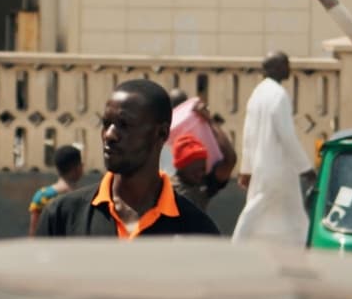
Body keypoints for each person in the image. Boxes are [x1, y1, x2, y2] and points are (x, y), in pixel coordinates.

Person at [35, 79, 220, 238]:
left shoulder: (197, 231)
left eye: (124, 125)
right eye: (106, 123)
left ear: (161, 133)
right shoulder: (62, 216)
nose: (109, 135)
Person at [233, 52, 314, 245]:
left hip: (265, 165)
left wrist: (247, 169)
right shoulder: (278, 95)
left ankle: (304, 244)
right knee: (256, 207)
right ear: (276, 68)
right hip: (277, 167)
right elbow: (286, 135)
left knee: (294, 211)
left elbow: (248, 135)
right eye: (285, 65)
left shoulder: (257, 94)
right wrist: (305, 167)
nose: (289, 69)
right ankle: (237, 243)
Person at [167, 89, 237, 212]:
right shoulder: (163, 182)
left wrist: (209, 121)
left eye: (202, 169)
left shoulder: (203, 183)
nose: (199, 173)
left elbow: (230, 160)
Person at [27, 145, 84, 236]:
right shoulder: (84, 198)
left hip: (49, 249)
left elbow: (34, 233)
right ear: (78, 167)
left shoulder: (42, 196)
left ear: (57, 168)